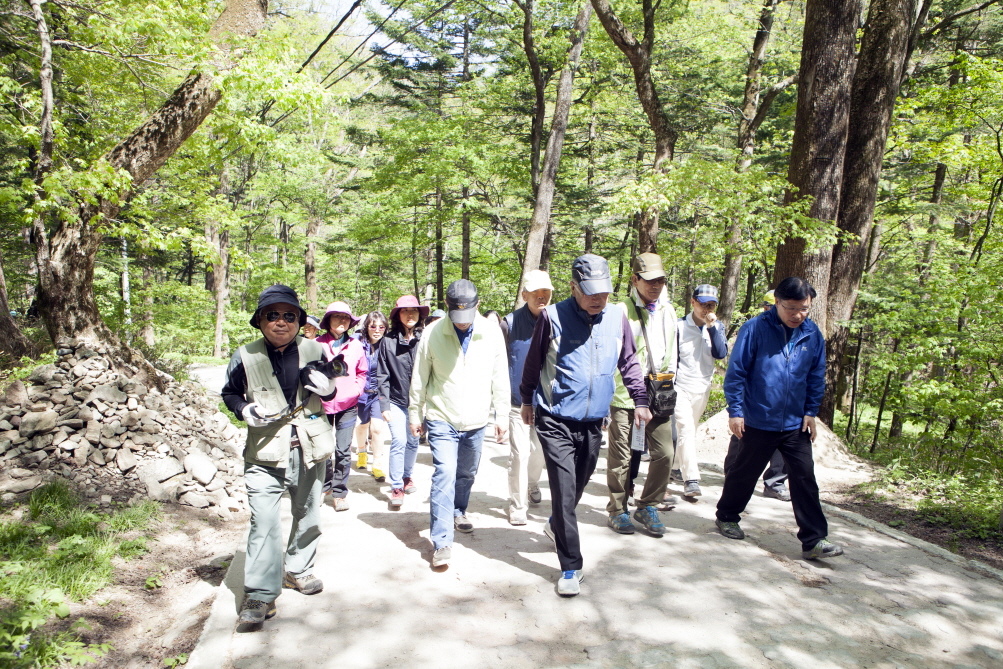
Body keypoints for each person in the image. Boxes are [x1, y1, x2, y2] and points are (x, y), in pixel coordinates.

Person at [520, 254, 651, 597]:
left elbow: (628, 361)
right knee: (563, 492)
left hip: (594, 421)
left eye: (604, 292)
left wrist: (640, 399)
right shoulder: (552, 316)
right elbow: (534, 363)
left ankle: (556, 525)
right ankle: (570, 566)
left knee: (578, 483)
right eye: (591, 292)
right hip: (555, 418)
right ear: (573, 287)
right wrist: (526, 400)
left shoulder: (617, 317)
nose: (598, 299)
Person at [221, 285, 337, 624]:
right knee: (264, 523)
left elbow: (331, 393)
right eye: (273, 315)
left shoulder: (317, 349)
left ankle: (298, 570)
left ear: (300, 320)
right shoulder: (244, 355)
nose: (282, 322)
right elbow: (229, 393)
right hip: (264, 454)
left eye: (290, 315)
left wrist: (329, 390)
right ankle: (259, 594)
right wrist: (243, 409)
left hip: (310, 448)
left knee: (308, 514)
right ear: (260, 320)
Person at [716, 277, 844, 560]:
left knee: (804, 477)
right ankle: (727, 515)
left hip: (795, 422)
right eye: (791, 308)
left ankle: (814, 540)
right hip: (757, 418)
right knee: (744, 472)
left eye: (805, 308)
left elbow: (815, 375)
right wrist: (735, 411)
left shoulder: (811, 333)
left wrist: (811, 411)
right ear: (777, 303)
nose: (798, 315)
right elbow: (736, 373)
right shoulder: (755, 329)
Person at [409, 279, 510, 568]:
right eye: (457, 318)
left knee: (466, 473)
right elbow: (420, 378)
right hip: (442, 416)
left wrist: (501, 415)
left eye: (467, 318)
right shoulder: (432, 332)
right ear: (447, 308)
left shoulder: (491, 333)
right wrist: (415, 414)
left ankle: (458, 509)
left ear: (478, 306)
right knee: (445, 473)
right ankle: (441, 542)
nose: (462, 324)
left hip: (477, 420)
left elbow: (499, 376)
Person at [606, 253, 678, 536]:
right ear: (634, 279)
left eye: (660, 280)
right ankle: (617, 509)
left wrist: (671, 384)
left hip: (660, 393)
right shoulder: (620, 310)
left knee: (665, 453)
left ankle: (648, 504)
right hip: (625, 394)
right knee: (622, 456)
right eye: (649, 280)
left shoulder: (668, 311)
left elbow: (672, 352)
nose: (655, 285)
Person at [499, 270, 553, 526]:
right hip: (516, 401)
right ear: (524, 296)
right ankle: (518, 505)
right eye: (536, 294)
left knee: (539, 451)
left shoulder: (556, 320)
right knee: (519, 453)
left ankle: (532, 483)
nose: (542, 298)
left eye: (546, 293)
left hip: (546, 401)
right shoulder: (508, 324)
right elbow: (498, 365)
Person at [671, 284, 728, 499]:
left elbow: (720, 353)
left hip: (702, 387)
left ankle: (676, 466)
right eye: (702, 304)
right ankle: (691, 479)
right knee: (685, 429)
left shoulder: (717, 327)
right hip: (681, 386)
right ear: (693, 302)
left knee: (690, 430)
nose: (706, 308)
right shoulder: (678, 326)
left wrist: (712, 328)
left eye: (711, 305)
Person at [315, 302, 367, 512]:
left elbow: (363, 372)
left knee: (343, 450)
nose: (342, 321)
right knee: (323, 449)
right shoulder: (317, 344)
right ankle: (324, 486)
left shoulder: (355, 345)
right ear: (328, 321)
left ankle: (339, 492)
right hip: (321, 404)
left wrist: (356, 390)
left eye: (345, 318)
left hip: (348, 405)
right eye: (337, 317)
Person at [378, 295, 428, 508]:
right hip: (396, 402)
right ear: (398, 315)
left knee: (413, 440)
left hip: (420, 403)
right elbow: (382, 375)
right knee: (399, 440)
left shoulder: (426, 338)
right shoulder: (387, 341)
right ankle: (397, 486)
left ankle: (408, 477)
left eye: (414, 311)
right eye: (405, 311)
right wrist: (384, 405)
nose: (410, 315)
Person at [353, 311, 390, 482]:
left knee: (376, 428)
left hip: (378, 394)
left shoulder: (388, 344)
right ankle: (362, 452)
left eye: (381, 327)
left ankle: (377, 464)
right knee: (362, 425)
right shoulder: (357, 343)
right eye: (373, 326)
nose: (377, 330)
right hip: (360, 394)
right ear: (366, 327)